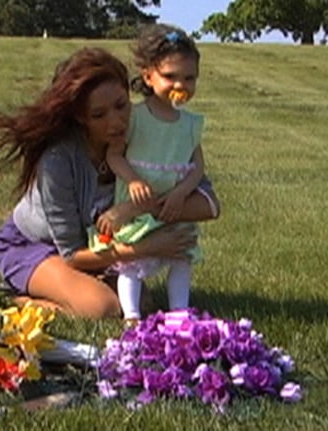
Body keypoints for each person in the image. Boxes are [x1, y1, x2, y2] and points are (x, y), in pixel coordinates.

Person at [0, 47, 220, 319]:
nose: (116, 122)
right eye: (99, 115)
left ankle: (74, 287)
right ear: (80, 116)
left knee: (141, 305)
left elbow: (209, 206)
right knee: (104, 308)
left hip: (97, 246)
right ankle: (17, 300)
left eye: (121, 105)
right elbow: (72, 255)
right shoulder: (57, 161)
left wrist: (131, 210)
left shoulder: (141, 135)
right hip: (35, 246)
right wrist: (145, 249)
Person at [91, 24, 209, 323]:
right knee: (132, 264)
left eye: (189, 78)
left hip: (172, 207)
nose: (179, 85)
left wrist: (183, 193)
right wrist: (133, 180)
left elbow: (198, 167)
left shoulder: (190, 125)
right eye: (170, 77)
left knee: (181, 257)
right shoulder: (136, 118)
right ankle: (131, 315)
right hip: (137, 209)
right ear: (148, 76)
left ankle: (180, 312)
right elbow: (113, 155)